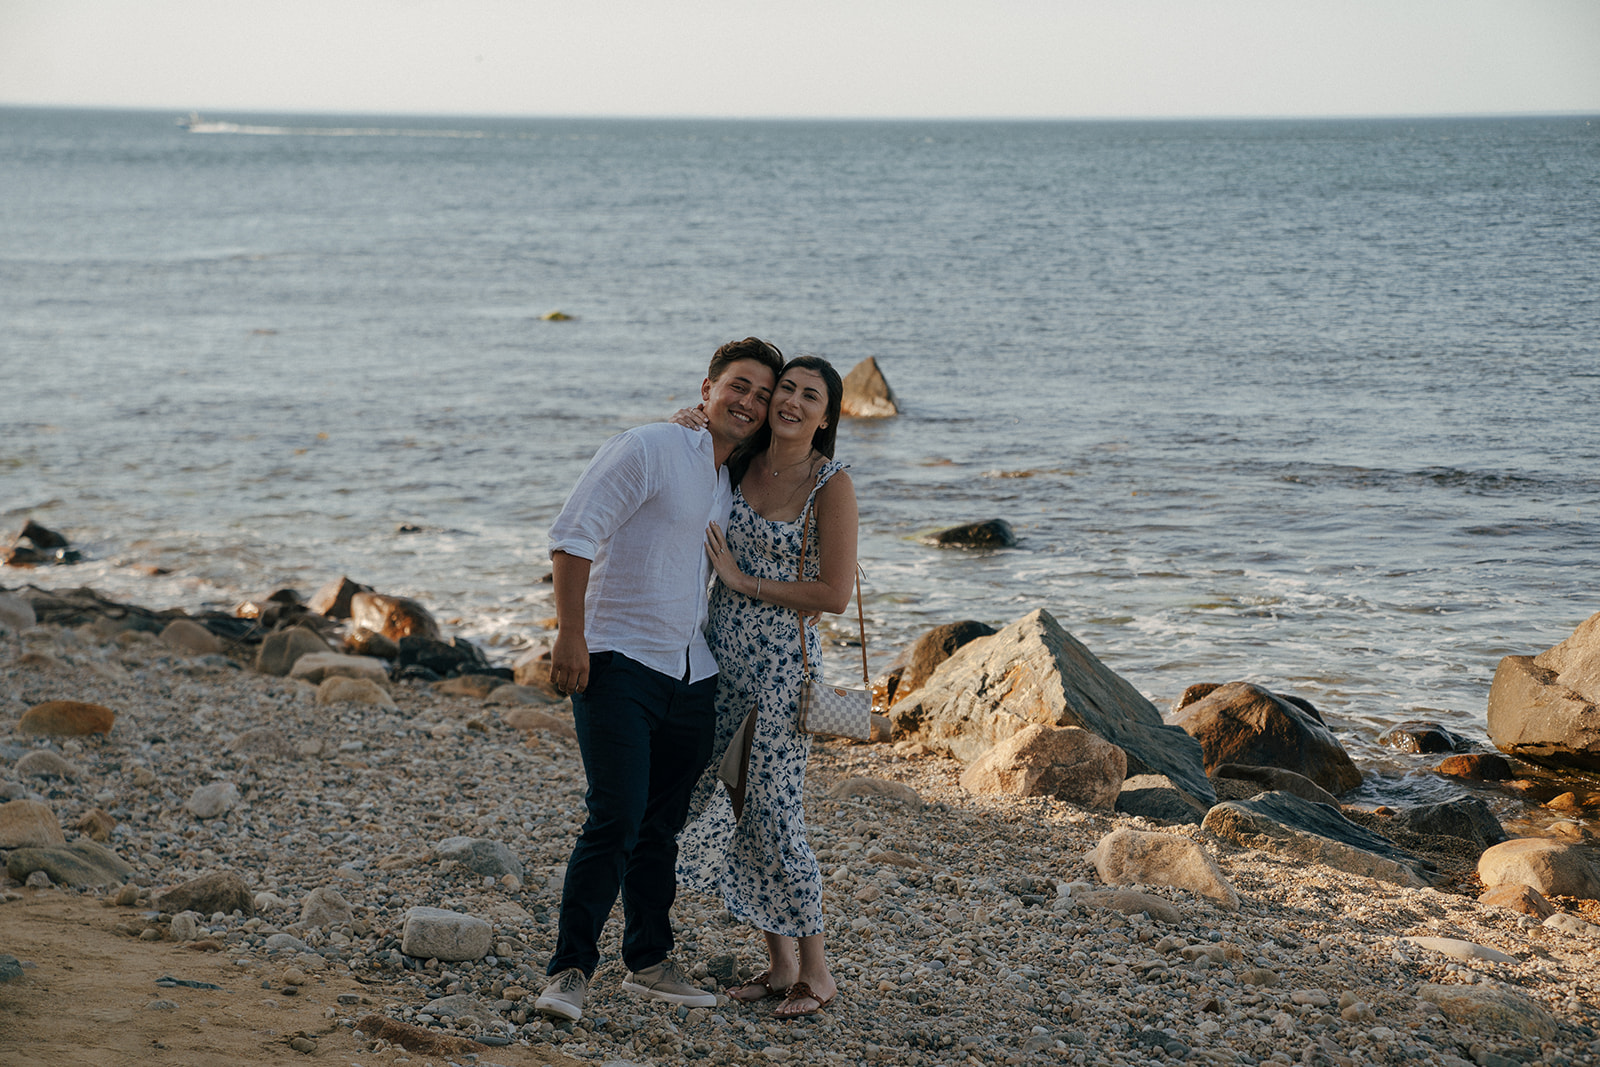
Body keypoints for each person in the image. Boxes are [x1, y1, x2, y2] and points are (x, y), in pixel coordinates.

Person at [534, 337, 784, 1023]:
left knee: (660, 829)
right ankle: (568, 969)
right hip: (616, 661)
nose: (750, 401)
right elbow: (573, 533)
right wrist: (570, 633)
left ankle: (648, 960)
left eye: (764, 395)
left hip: (691, 675)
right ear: (707, 389)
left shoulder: (728, 478)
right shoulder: (648, 446)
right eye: (739, 385)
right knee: (613, 818)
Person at [671, 355, 858, 1020]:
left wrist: (745, 581)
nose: (792, 402)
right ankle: (780, 966)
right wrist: (688, 417)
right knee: (738, 802)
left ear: (826, 415)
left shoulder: (828, 484)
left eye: (811, 395)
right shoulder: (742, 460)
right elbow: (696, 442)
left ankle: (819, 971)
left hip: (783, 670)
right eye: (787, 389)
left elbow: (834, 594)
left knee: (777, 813)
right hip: (721, 658)